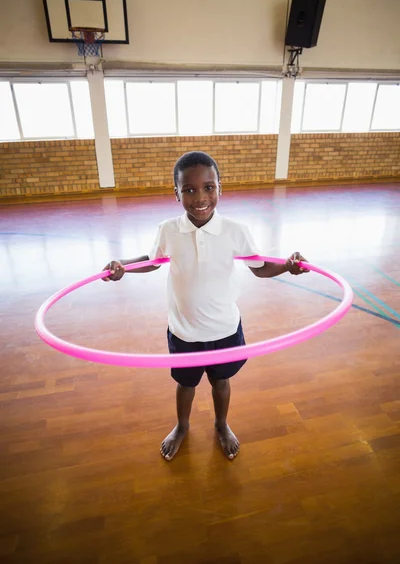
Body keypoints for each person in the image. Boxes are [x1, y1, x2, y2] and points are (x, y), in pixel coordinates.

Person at [103, 151, 308, 461]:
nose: (200, 197)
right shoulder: (169, 229)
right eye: (189, 190)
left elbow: (261, 266)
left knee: (221, 381)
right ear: (176, 193)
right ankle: (182, 426)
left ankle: (222, 425)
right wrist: (122, 267)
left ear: (219, 188)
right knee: (186, 385)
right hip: (184, 329)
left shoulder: (236, 230)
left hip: (224, 327)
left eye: (208, 187)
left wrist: (288, 266)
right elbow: (152, 261)